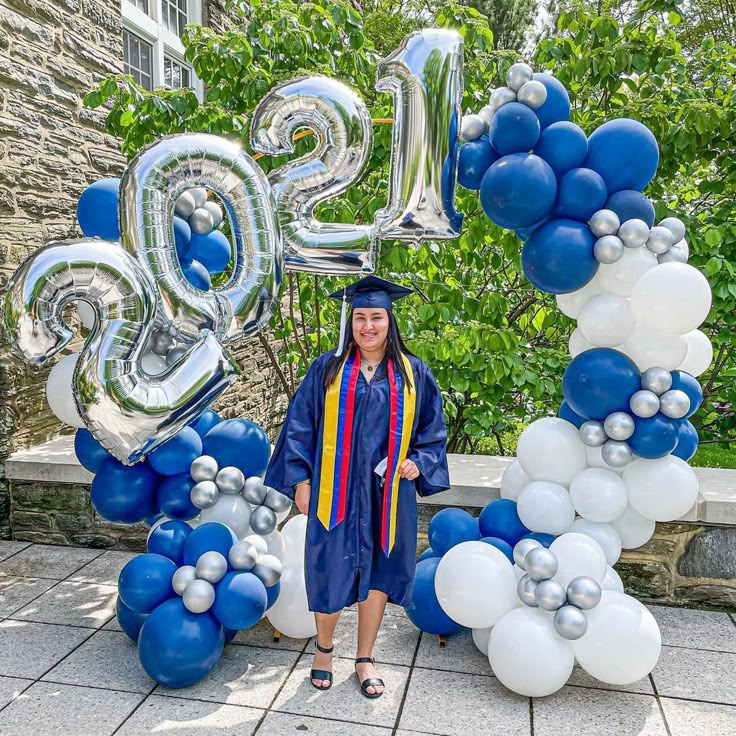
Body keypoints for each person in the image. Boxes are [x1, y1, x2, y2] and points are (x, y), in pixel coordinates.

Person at [264, 275, 450, 698]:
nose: (368, 326)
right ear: (350, 322)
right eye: (360, 317)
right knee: (328, 565)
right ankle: (324, 651)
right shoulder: (326, 370)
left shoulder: (412, 372)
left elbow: (431, 431)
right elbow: (299, 426)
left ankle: (365, 658)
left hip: (387, 492)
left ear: (390, 321)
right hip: (334, 489)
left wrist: (417, 462)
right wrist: (301, 479)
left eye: (377, 317)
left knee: (381, 571)